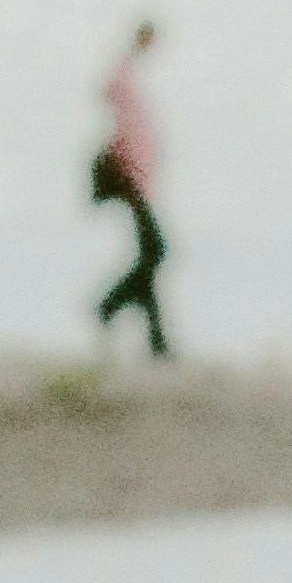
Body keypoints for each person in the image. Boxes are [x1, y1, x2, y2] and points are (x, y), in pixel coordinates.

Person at [91, 20, 172, 360]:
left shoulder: (130, 79)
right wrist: (133, 172)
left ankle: (156, 340)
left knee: (150, 254)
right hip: (131, 179)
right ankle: (109, 305)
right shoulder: (124, 80)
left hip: (138, 179)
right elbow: (110, 89)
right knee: (155, 250)